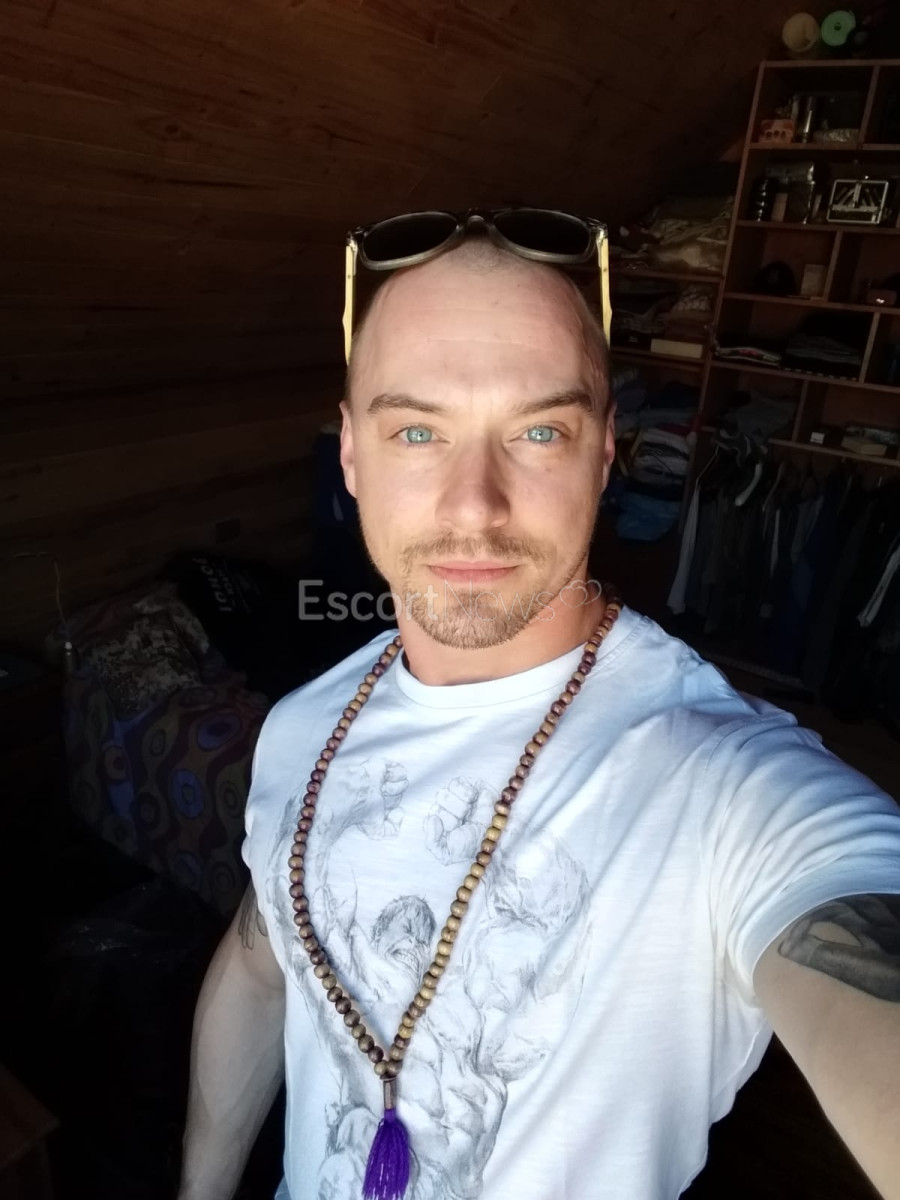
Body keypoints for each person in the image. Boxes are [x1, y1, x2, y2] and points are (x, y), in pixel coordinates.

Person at [178, 211, 900, 1200]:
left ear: (604, 457)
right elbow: (263, 966)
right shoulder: (303, 724)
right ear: (350, 456)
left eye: (539, 432)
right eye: (418, 430)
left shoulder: (723, 784)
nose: (475, 504)